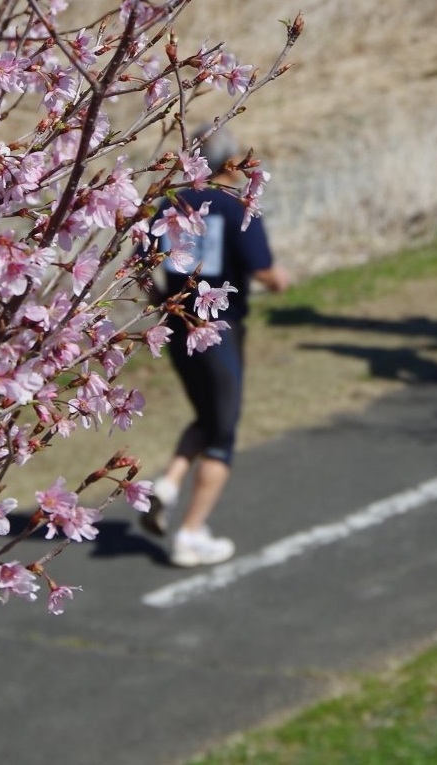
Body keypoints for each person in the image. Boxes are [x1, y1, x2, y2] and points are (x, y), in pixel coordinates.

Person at [139, 128, 290, 567]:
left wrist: (157, 300)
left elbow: (141, 264)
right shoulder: (237, 206)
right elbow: (264, 271)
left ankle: (167, 487)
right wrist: (281, 280)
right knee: (223, 431)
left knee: (207, 414)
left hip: (176, 323)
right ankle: (190, 535)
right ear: (230, 162)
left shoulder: (169, 204)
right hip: (220, 326)